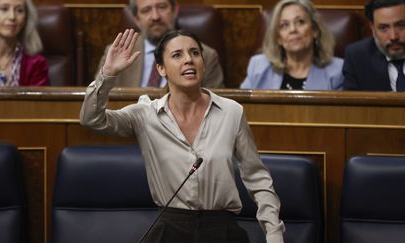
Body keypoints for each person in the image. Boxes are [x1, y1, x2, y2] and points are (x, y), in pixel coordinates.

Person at [80, 29, 284, 243]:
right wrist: (108, 73)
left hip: (222, 229)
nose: (188, 60)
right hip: (169, 229)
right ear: (161, 68)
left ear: (203, 63)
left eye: (195, 53)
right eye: (177, 55)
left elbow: (257, 178)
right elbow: (92, 119)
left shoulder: (231, 112)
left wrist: (274, 233)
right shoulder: (145, 114)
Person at [95, 0, 224, 88]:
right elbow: (96, 102)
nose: (155, 16)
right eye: (146, 10)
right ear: (136, 19)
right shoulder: (116, 54)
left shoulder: (205, 56)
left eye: (162, 7)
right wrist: (107, 73)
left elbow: (215, 109)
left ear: (175, 10)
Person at [240, 0, 343, 90]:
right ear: (278, 38)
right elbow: (243, 106)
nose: (293, 29)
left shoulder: (337, 71)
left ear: (315, 30)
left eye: (300, 22)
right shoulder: (258, 66)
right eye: (284, 25)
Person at [0, 0, 49, 86]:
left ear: (25, 20)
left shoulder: (37, 64)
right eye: (4, 9)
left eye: (19, 10)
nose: (12, 17)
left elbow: (37, 99)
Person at [343, 0, 405, 91]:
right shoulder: (357, 57)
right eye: (383, 28)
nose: (393, 36)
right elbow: (352, 103)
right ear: (372, 28)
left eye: (401, 25)